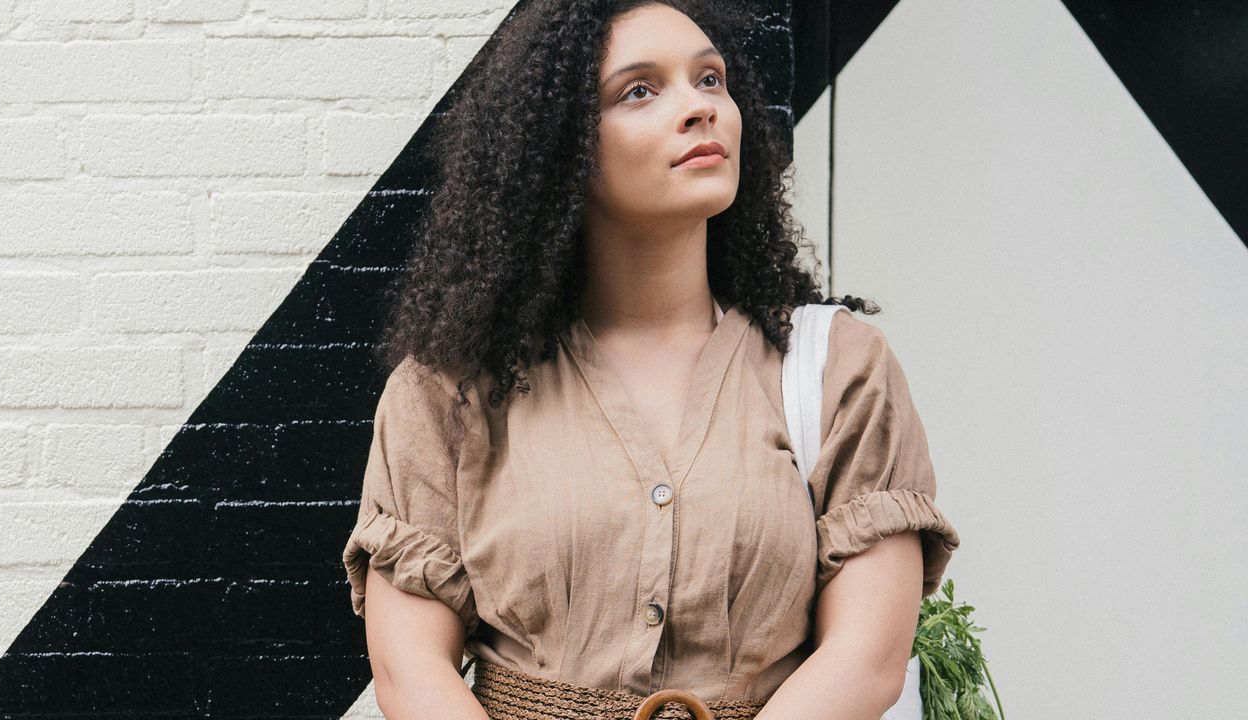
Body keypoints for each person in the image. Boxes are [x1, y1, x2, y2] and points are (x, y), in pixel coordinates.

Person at [338, 1, 962, 719]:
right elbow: (409, 669)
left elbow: (868, 659)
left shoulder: (838, 369)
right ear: (560, 145)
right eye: (640, 89)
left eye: (710, 80)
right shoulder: (450, 388)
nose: (699, 108)